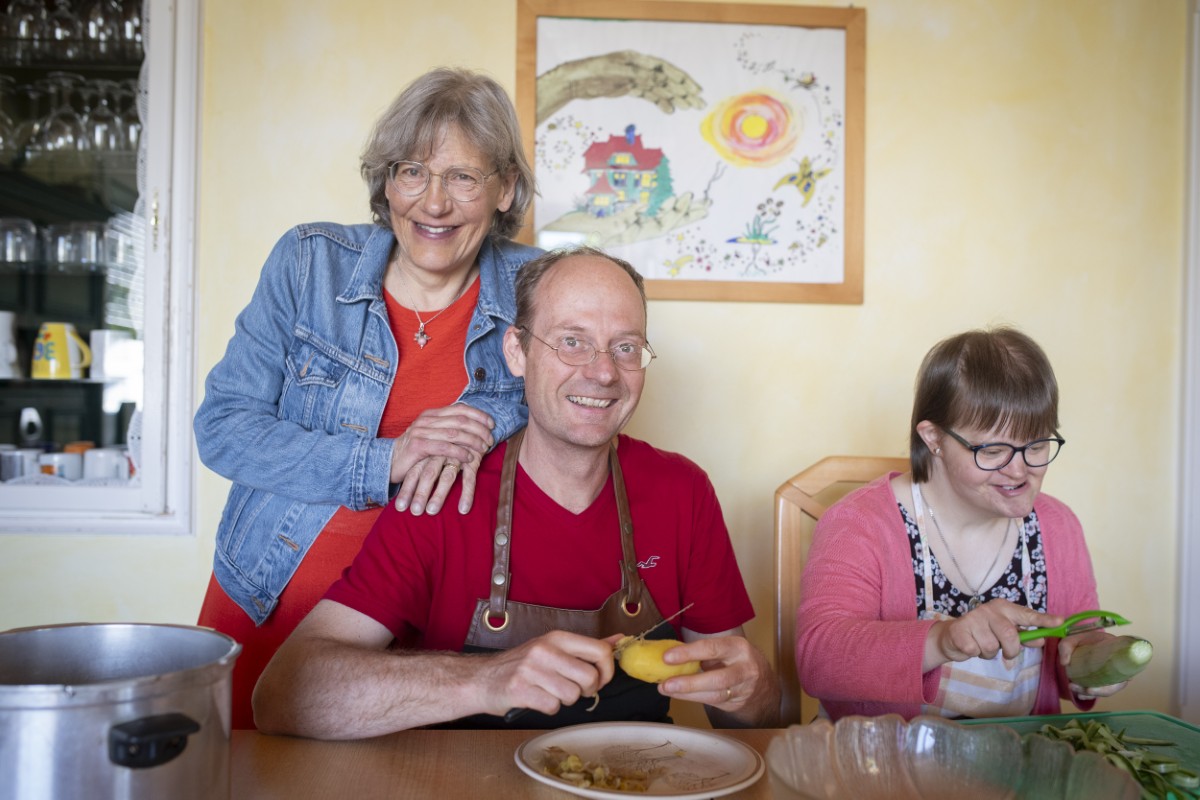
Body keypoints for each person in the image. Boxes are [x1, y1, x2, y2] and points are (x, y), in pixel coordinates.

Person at [252, 247, 781, 738]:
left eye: (625, 348)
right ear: (517, 352)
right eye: (572, 341)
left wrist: (754, 689)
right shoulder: (443, 493)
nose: (602, 372)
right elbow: (284, 695)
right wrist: (484, 680)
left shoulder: (682, 491)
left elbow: (753, 719)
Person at [192, 67, 543, 729]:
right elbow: (224, 427)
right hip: (271, 597)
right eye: (412, 170)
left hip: (428, 638)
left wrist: (494, 415)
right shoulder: (308, 263)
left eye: (463, 177)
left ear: (506, 190)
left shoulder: (537, 287)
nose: (433, 203)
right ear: (387, 181)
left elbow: (585, 387)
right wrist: (387, 461)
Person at [796, 327, 1134, 721]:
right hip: (882, 769)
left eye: (1037, 445)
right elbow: (820, 660)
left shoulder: (1058, 527)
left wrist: (1091, 661)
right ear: (934, 438)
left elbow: (1075, 644)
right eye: (992, 450)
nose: (1020, 470)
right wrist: (944, 640)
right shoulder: (860, 523)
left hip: (1014, 767)